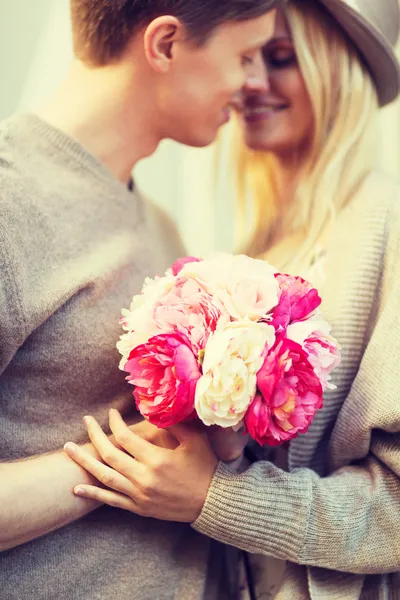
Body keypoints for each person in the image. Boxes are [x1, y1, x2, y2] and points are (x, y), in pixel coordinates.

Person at [64, 0, 400, 598]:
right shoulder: (263, 239)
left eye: (278, 59)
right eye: (245, 58)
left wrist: (219, 497)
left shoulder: (387, 226)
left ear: (335, 72)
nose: (250, 84)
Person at [0, 1, 282, 599]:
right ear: (165, 45)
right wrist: (131, 456)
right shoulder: (9, 204)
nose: (257, 82)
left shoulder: (160, 225)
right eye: (246, 55)